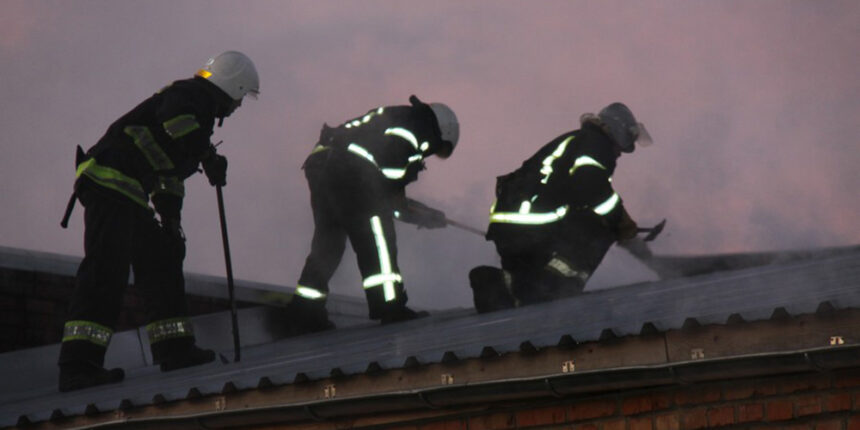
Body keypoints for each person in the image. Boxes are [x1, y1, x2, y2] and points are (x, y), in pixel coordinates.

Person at [57, 51, 260, 392]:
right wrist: (209, 157)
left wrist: (171, 221)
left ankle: (175, 349)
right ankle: (78, 367)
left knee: (163, 260)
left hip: (129, 192)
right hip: (109, 181)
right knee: (106, 271)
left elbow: (168, 175)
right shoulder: (191, 95)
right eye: (240, 97)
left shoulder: (199, 116)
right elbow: (176, 121)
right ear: (233, 85)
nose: (238, 106)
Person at [287, 95, 457, 330]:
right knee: (378, 235)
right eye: (439, 148)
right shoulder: (411, 133)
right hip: (348, 173)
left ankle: (304, 312)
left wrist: (422, 214)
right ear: (441, 131)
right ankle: (390, 307)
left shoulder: (402, 119)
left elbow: (388, 195)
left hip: (323, 168)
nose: (431, 154)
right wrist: (422, 215)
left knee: (329, 242)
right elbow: (389, 198)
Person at [470, 102, 652, 313]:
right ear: (616, 132)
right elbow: (592, 186)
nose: (620, 153)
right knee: (599, 228)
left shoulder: (576, 141)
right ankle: (560, 287)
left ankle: (499, 284)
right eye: (622, 147)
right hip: (535, 226)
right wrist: (619, 220)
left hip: (510, 230)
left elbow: (577, 191)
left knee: (527, 286)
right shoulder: (596, 144)